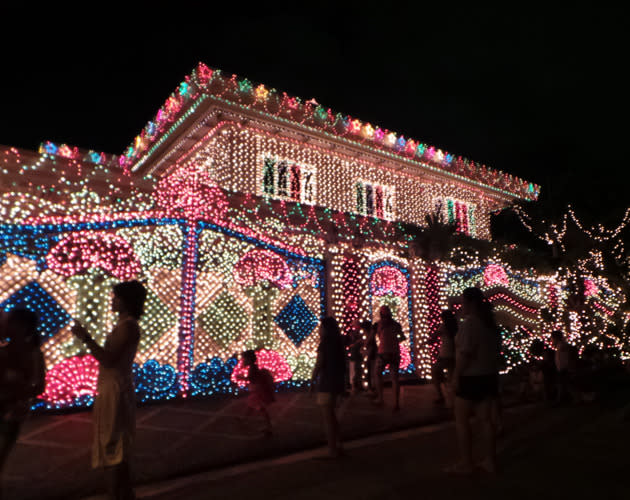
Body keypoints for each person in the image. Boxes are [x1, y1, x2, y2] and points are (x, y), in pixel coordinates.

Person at [72, 280, 147, 500]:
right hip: (111, 387)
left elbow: (108, 359)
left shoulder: (128, 327)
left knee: (112, 445)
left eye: (116, 297)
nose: (112, 300)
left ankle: (116, 494)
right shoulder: (123, 325)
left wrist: (85, 338)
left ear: (126, 301)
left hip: (116, 390)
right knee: (114, 446)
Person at [448, 287, 500, 475]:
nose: (461, 305)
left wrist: (455, 377)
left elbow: (464, 354)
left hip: (470, 377)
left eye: (462, 302)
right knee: (486, 420)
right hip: (488, 375)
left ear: (470, 303)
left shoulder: (470, 324)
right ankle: (490, 460)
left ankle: (467, 462)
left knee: (462, 421)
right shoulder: (490, 324)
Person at [0, 309, 46, 500]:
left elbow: (39, 386)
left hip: (11, 412)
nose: (7, 326)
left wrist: (19, 392)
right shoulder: (4, 352)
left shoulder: (33, 354)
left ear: (23, 327)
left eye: (12, 322)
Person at [311, 317, 346, 458]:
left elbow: (319, 363)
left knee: (328, 418)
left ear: (325, 329)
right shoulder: (338, 342)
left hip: (326, 382)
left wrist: (313, 379)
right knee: (332, 416)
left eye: (321, 327)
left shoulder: (324, 344)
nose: (319, 330)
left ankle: (332, 449)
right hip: (337, 381)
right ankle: (338, 445)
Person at [373, 305, 405, 412]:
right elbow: (402, 337)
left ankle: (380, 398)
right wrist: (395, 340)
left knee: (377, 373)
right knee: (394, 378)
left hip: (383, 352)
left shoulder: (378, 324)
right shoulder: (396, 324)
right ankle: (396, 403)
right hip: (395, 352)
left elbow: (376, 336)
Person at [236, 350, 275, 437]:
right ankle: (244, 419)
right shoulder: (253, 367)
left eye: (244, 359)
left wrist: (241, 377)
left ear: (249, 360)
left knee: (261, 409)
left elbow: (252, 379)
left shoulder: (252, 368)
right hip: (257, 391)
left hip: (258, 392)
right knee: (251, 406)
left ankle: (269, 427)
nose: (243, 361)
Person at [430, 310, 457, 406]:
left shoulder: (443, 326)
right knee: (451, 375)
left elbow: (433, 337)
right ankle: (453, 398)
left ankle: (440, 395)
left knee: (434, 371)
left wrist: (428, 341)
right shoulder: (456, 326)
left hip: (445, 354)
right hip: (454, 355)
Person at [551, 330, 571, 404]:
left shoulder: (562, 346)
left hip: (563, 368)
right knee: (562, 384)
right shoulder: (560, 346)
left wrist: (564, 366)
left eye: (552, 338)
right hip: (561, 368)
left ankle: (562, 400)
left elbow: (565, 357)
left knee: (563, 384)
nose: (552, 340)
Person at [346, 320, 364, 394]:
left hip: (358, 354)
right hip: (355, 355)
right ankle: (354, 386)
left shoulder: (360, 334)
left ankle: (358, 385)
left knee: (358, 370)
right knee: (355, 370)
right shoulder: (353, 334)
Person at [361, 320, 377, 395]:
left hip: (371, 353)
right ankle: (372, 388)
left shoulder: (370, 334)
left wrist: (365, 347)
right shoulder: (370, 334)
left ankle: (371, 388)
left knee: (370, 370)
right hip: (370, 353)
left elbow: (368, 343)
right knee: (370, 370)